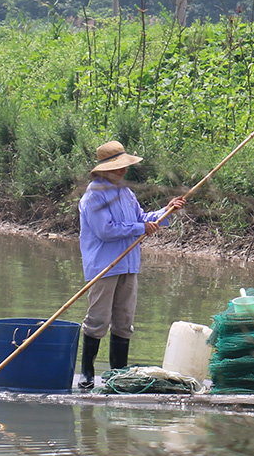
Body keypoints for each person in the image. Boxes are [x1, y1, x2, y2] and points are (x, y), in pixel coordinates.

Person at [77, 140, 186, 390]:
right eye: (118, 168)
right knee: (98, 319)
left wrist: (166, 211)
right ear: (104, 170)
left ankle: (119, 375)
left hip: (128, 264)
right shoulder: (94, 196)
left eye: (124, 167)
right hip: (104, 266)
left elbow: (142, 219)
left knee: (124, 321)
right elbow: (106, 230)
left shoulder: (126, 193)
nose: (124, 172)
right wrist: (140, 228)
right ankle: (87, 374)